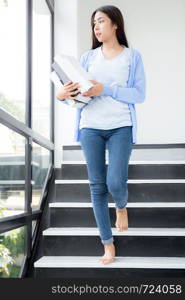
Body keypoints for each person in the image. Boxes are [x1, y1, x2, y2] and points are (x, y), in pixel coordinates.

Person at [56, 5, 146, 265]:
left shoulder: (132, 56)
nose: (96, 27)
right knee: (97, 186)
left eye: (101, 21)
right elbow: (77, 96)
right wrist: (62, 96)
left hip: (121, 126)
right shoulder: (87, 58)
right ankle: (107, 244)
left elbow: (139, 94)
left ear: (115, 24)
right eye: (94, 23)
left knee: (115, 183)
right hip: (90, 127)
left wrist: (106, 89)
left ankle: (121, 205)